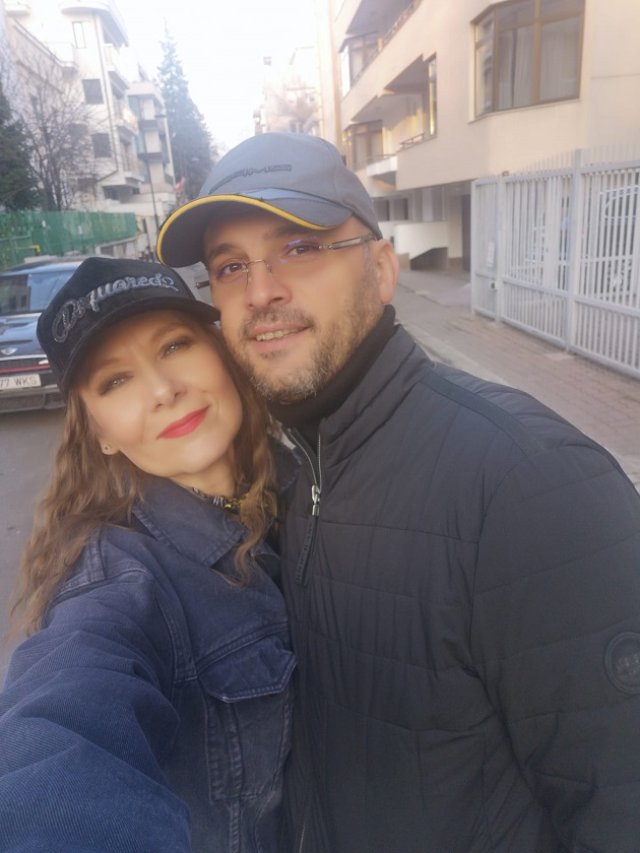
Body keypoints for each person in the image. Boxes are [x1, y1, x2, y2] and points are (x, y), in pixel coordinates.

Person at [156, 133, 640, 853]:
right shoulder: (287, 470)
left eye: (300, 248)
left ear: (381, 269)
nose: (261, 292)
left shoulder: (530, 483)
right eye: (230, 267)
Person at [0, 257, 296, 852]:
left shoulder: (311, 481)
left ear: (220, 353)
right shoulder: (118, 582)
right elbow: (62, 725)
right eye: (115, 381)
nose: (164, 390)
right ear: (100, 433)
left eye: (175, 346)